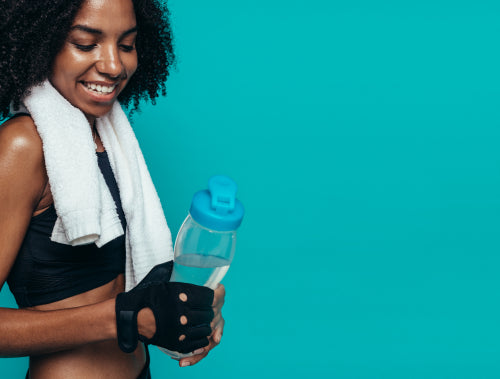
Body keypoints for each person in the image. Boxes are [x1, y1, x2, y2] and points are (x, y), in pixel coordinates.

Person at [0, 0, 226, 378]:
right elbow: (126, 309)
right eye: (86, 43)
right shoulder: (23, 145)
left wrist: (194, 308)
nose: (113, 65)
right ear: (41, 42)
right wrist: (125, 318)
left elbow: (130, 290)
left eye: (126, 45)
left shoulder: (109, 138)